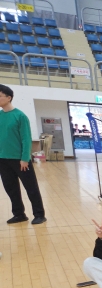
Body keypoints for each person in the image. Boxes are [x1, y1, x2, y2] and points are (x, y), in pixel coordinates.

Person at [0, 84, 47, 225]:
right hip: (3, 160)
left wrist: (25, 158)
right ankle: (19, 214)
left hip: (20, 160)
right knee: (11, 189)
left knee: (31, 188)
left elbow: (26, 139)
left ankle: (39, 214)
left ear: (9, 98)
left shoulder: (20, 116)